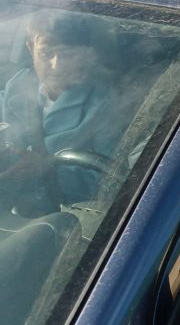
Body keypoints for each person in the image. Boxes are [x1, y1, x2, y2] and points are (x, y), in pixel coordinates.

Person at [0, 13, 122, 216]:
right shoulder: (17, 86)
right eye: (46, 53)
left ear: (86, 54)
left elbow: (108, 186)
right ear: (31, 49)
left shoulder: (106, 106)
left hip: (62, 220)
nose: (56, 65)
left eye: (68, 54)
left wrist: (43, 168)